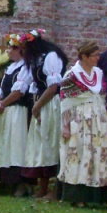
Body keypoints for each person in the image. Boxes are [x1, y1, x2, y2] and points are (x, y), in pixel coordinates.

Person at [57, 40, 107, 206]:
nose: (98, 58)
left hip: (98, 118)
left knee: (96, 153)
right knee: (79, 153)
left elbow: (102, 96)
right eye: (94, 55)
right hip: (79, 118)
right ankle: (77, 195)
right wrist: (65, 126)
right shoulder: (71, 75)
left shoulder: (99, 73)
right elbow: (65, 103)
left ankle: (95, 195)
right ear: (84, 56)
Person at [21, 28, 68, 199]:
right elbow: (36, 85)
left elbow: (53, 87)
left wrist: (37, 106)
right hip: (42, 104)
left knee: (51, 143)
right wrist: (36, 105)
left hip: (52, 103)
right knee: (42, 145)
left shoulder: (51, 57)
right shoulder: (38, 60)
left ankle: (55, 190)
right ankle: (42, 188)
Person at [0, 33, 33, 196]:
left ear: (19, 50)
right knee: (3, 145)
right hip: (6, 111)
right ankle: (5, 182)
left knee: (16, 146)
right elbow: (2, 87)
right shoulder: (10, 68)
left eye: (10, 48)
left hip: (17, 112)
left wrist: (3, 104)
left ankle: (20, 184)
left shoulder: (26, 67)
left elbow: (19, 91)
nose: (7, 50)